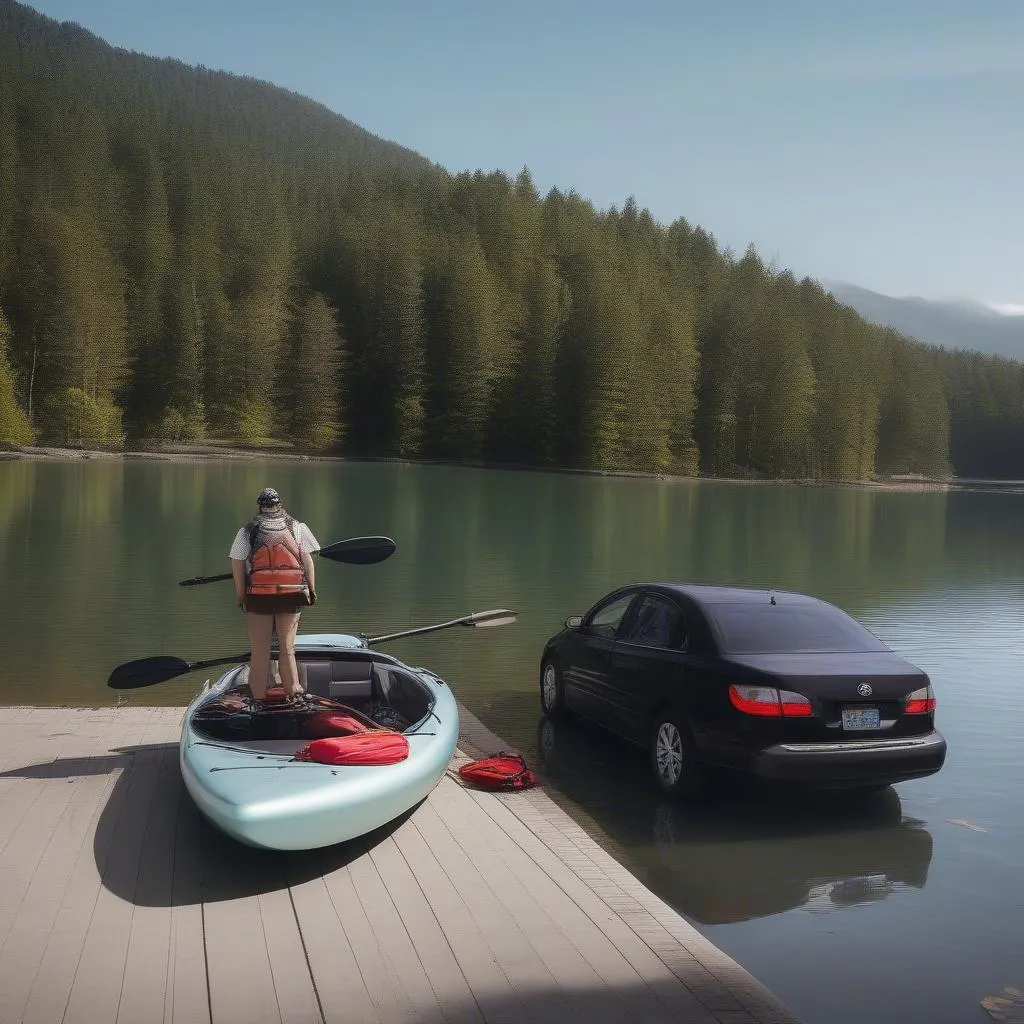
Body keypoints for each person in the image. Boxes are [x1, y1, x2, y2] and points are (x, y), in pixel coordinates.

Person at [229, 487, 320, 707]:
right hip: (291, 594)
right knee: (288, 648)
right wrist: (311, 589)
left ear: (260, 506)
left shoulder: (247, 531)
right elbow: (307, 561)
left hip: (259, 597)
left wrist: (242, 595)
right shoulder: (298, 528)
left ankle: (259, 697)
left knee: (260, 650)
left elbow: (237, 562)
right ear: (280, 505)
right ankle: (293, 693)